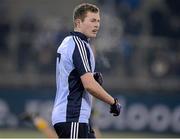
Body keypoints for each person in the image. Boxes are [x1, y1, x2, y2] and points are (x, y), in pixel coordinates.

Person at [51, 3, 121, 138]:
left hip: (72, 117)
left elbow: (71, 75)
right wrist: (113, 102)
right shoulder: (79, 45)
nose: (97, 25)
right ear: (78, 22)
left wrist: (92, 75)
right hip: (73, 116)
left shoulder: (68, 42)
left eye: (98, 21)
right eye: (92, 20)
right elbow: (89, 86)